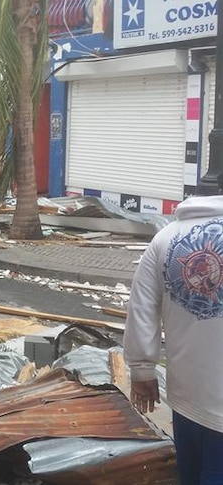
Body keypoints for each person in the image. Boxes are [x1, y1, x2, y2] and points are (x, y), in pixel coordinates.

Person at [125, 185, 223, 484]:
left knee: (191, 473)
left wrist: (142, 369)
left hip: (187, 395)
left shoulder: (165, 238)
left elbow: (142, 305)